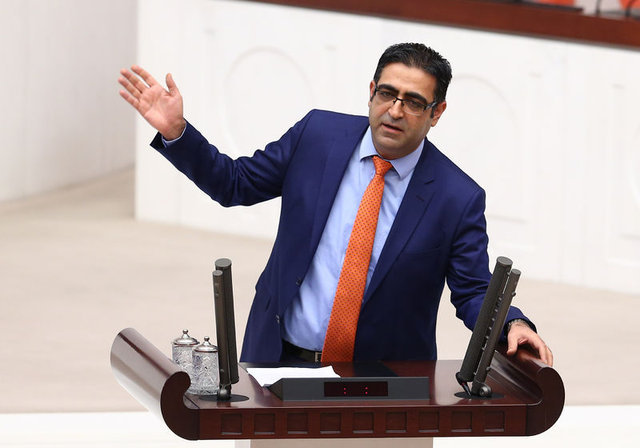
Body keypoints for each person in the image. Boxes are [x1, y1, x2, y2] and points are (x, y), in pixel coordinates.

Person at [119, 43, 553, 366]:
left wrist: (512, 323)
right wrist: (178, 132)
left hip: (385, 386)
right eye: (387, 94)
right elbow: (236, 184)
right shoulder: (316, 136)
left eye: (413, 102)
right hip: (276, 362)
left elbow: (473, 290)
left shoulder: (457, 197)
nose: (395, 111)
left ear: (436, 113)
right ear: (371, 91)